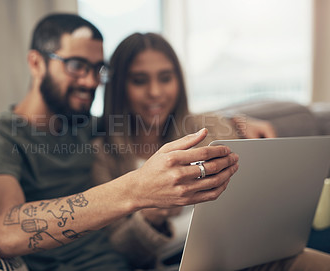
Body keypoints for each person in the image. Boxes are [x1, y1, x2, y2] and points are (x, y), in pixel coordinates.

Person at [0, 14, 239, 271]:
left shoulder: (87, 127)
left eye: (98, 69)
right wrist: (138, 188)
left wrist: (237, 121)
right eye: (77, 66)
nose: (91, 81)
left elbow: (158, 114)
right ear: (35, 63)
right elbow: (9, 232)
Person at [92, 32, 330, 270]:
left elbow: (251, 195)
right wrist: (151, 216)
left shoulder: (209, 126)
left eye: (165, 78)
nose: (155, 92)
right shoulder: (102, 154)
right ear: (119, 86)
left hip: (240, 252)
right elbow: (116, 250)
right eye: (139, 80)